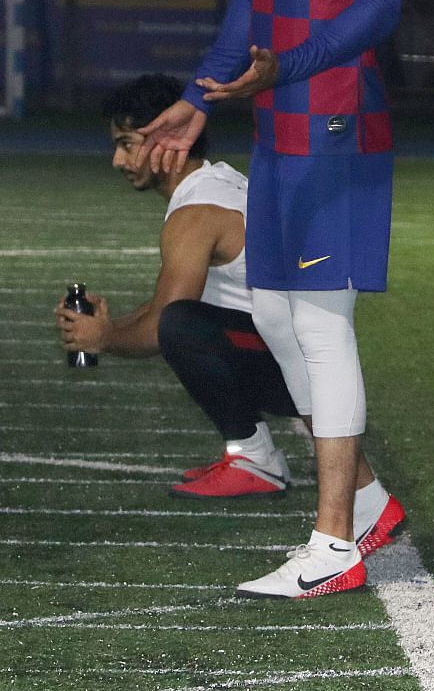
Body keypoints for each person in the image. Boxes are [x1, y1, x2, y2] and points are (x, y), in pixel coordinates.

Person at [136, 0, 409, 599]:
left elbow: (379, 4)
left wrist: (283, 70)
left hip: (338, 119)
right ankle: (366, 504)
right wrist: (200, 96)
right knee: (283, 314)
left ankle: (334, 546)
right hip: (280, 120)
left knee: (322, 326)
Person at [55, 75, 405, 553]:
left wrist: (103, 339)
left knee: (181, 325)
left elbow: (164, 324)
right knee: (187, 318)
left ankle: (264, 462)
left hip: (296, 360)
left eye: (127, 144)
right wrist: (112, 327)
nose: (118, 160)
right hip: (291, 349)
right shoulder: (216, 183)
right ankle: (271, 464)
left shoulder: (195, 212)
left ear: (169, 140)